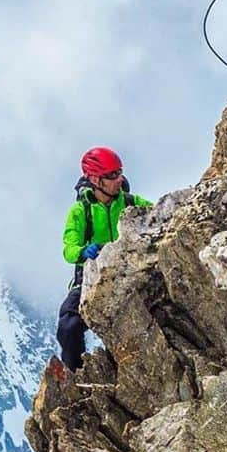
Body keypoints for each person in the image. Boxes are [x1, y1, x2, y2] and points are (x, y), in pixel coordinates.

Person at [57, 146, 152, 372]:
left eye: (119, 173)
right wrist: (83, 252)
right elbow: (68, 249)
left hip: (127, 272)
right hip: (89, 277)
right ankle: (77, 375)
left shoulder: (130, 202)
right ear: (94, 179)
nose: (118, 179)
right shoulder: (81, 211)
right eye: (111, 176)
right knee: (69, 327)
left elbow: (160, 214)